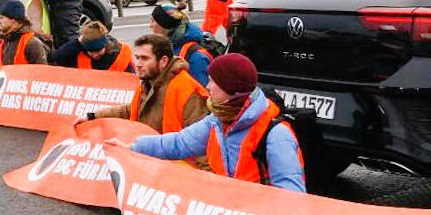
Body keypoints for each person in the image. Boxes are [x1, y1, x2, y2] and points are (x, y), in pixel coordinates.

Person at [116, 53, 304, 191]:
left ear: (230, 89)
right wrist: (132, 148)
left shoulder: (276, 134)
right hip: (230, 214)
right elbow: (179, 143)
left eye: (213, 82)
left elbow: (291, 195)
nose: (207, 87)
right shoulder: (217, 120)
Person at [87, 34, 208, 134]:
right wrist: (92, 116)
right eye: (137, 58)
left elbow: (200, 140)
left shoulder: (186, 90)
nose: (138, 64)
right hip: (151, 159)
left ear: (163, 61)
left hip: (172, 161)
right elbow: (132, 109)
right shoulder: (149, 82)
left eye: (144, 58)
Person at [149, 2, 213, 86]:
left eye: (153, 21)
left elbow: (201, 93)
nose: (150, 25)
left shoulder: (195, 56)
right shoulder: (168, 46)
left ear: (165, 26)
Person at [51, 20, 134, 73]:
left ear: (105, 45)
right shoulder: (79, 52)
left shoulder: (121, 54)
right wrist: (78, 42)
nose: (94, 55)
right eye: (90, 51)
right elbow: (56, 58)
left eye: (98, 50)